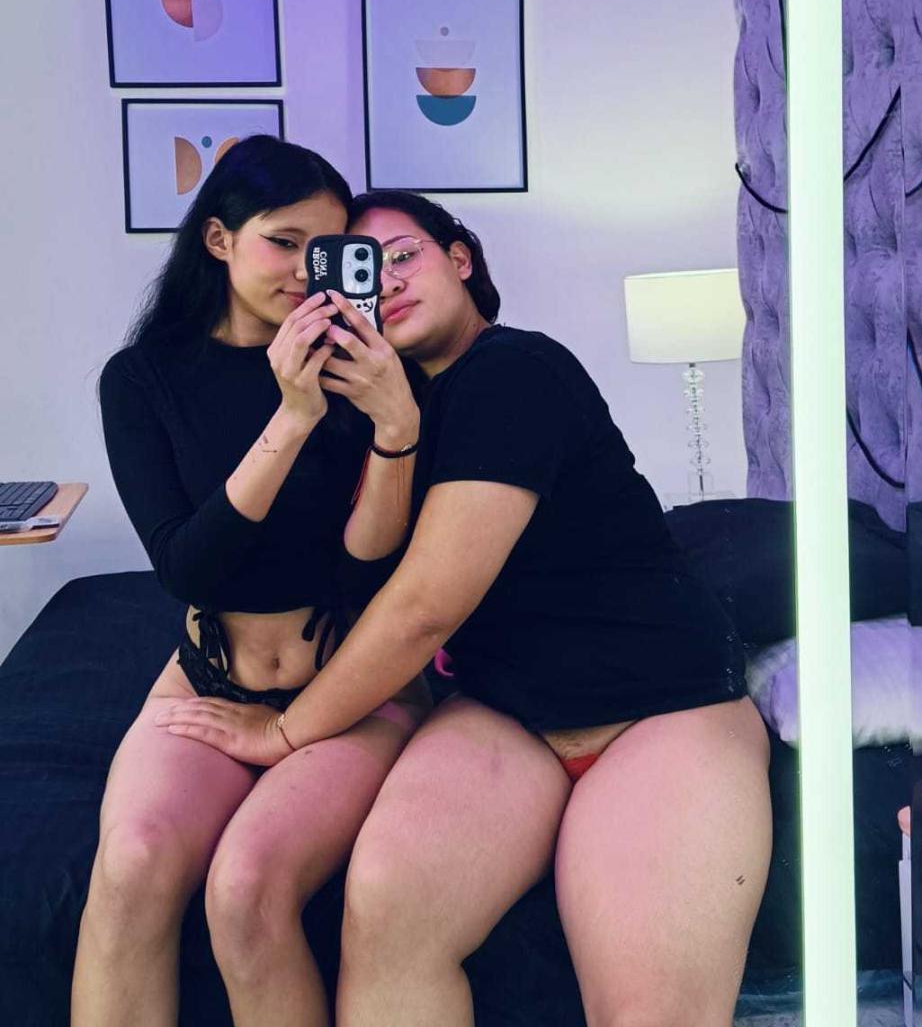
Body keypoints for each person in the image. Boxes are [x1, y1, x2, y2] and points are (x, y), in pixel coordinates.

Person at [158, 189, 772, 1027]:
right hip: (503, 712)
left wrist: (287, 731)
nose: (387, 281)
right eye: (360, 270)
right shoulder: (381, 412)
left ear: (460, 259)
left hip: (656, 709)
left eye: (403, 255)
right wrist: (377, 424)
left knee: (647, 1011)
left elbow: (423, 610)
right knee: (388, 922)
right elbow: (354, 577)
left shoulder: (514, 368)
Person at [73, 140, 428, 1027]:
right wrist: (291, 417)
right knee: (133, 863)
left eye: (326, 248)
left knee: (246, 884)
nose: (306, 270)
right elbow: (186, 566)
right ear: (219, 239)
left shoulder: (364, 369)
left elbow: (372, 563)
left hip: (349, 690)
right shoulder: (143, 379)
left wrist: (391, 426)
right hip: (209, 674)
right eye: (283, 241)